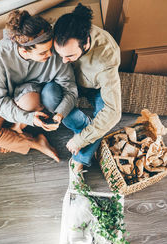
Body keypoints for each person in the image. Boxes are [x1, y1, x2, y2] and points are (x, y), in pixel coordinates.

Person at [0, 10, 78, 162]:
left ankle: (15, 132)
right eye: (43, 52)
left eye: (51, 49)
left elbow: (70, 90)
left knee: (30, 100)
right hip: (1, 99)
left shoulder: (55, 56)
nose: (50, 54)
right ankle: (36, 143)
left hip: (31, 97)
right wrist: (29, 118)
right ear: (24, 51)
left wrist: (60, 114)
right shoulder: (1, 53)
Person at [52, 3, 122, 183]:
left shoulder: (107, 57)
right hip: (66, 83)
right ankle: (86, 127)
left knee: (106, 116)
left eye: (69, 56)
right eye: (60, 55)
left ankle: (80, 159)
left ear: (86, 43)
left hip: (92, 88)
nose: (64, 61)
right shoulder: (59, 32)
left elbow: (114, 112)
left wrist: (80, 140)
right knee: (48, 95)